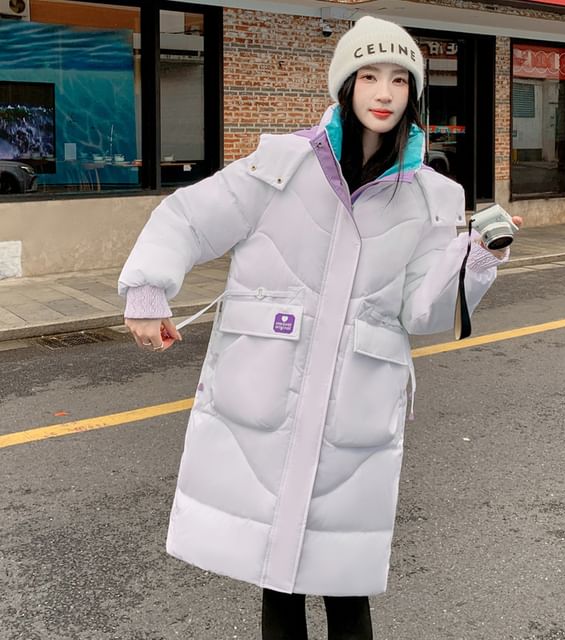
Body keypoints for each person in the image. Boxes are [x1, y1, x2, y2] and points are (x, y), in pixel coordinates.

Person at [118, 15, 522, 640]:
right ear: (346, 84)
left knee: (347, 590)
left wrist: (478, 258)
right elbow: (188, 217)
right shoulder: (282, 164)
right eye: (369, 76)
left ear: (415, 93)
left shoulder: (432, 195)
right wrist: (148, 291)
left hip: (356, 412)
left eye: (399, 80)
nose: (384, 93)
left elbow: (424, 312)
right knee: (277, 583)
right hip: (270, 399)